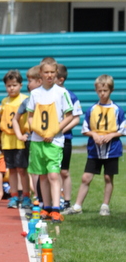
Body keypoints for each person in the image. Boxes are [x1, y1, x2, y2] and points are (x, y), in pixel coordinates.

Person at [64, 75, 125, 217]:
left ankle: (105, 205)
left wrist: (111, 135)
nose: (102, 93)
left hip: (112, 150)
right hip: (94, 150)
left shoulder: (117, 109)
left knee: (108, 178)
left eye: (105, 90)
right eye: (99, 91)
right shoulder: (92, 109)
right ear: (96, 90)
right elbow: (85, 129)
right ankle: (77, 206)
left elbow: (122, 129)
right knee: (86, 177)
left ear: (111, 90)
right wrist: (94, 135)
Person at [26, 60, 74, 223]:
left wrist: (53, 132)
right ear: (41, 73)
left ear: (56, 74)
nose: (49, 75)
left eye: (52, 72)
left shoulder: (62, 93)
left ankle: (56, 208)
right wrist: (40, 132)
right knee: (42, 176)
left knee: (54, 174)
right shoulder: (35, 94)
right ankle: (45, 207)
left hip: (55, 141)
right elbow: (30, 117)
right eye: (46, 72)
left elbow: (69, 116)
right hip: (37, 141)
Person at [0, 70, 31, 209]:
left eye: (14, 85)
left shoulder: (25, 99)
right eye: (9, 85)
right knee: (11, 169)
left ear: (21, 85)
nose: (11, 88)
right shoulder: (4, 102)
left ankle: (26, 196)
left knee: (22, 169)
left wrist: (27, 132)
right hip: (7, 140)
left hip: (20, 139)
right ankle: (14, 196)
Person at [12, 65, 42, 204]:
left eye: (30, 81)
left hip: (48, 139)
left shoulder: (50, 98)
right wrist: (19, 135)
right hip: (31, 140)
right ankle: (37, 197)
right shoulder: (27, 101)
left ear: (39, 81)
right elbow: (15, 119)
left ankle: (52, 198)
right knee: (33, 170)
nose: (28, 84)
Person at [55, 64, 83, 210]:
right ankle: (54, 199)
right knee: (52, 171)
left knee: (64, 171)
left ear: (61, 79)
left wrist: (60, 130)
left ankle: (66, 201)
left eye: (53, 75)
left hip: (64, 138)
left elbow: (76, 119)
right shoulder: (47, 95)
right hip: (50, 139)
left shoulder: (71, 96)